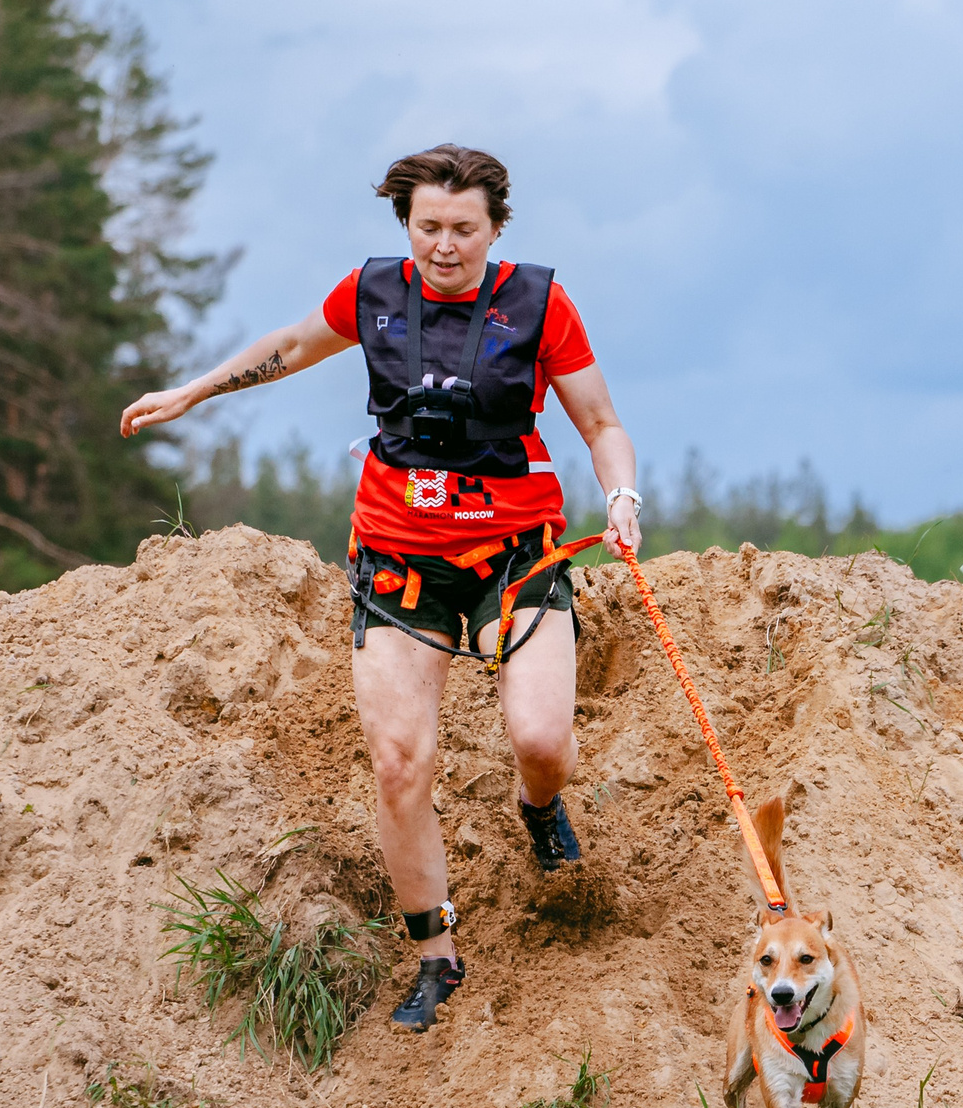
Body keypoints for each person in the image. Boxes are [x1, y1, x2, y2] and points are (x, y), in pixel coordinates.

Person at [120, 144, 642, 1033]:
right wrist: (196, 389)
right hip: (399, 564)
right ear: (406, 225)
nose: (445, 246)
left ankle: (538, 805)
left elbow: (600, 421)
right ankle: (435, 956)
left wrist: (622, 495)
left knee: (543, 738)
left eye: (463, 230)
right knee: (401, 764)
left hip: (516, 555)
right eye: (428, 227)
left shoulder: (540, 304)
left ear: (496, 229)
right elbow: (290, 346)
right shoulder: (374, 295)